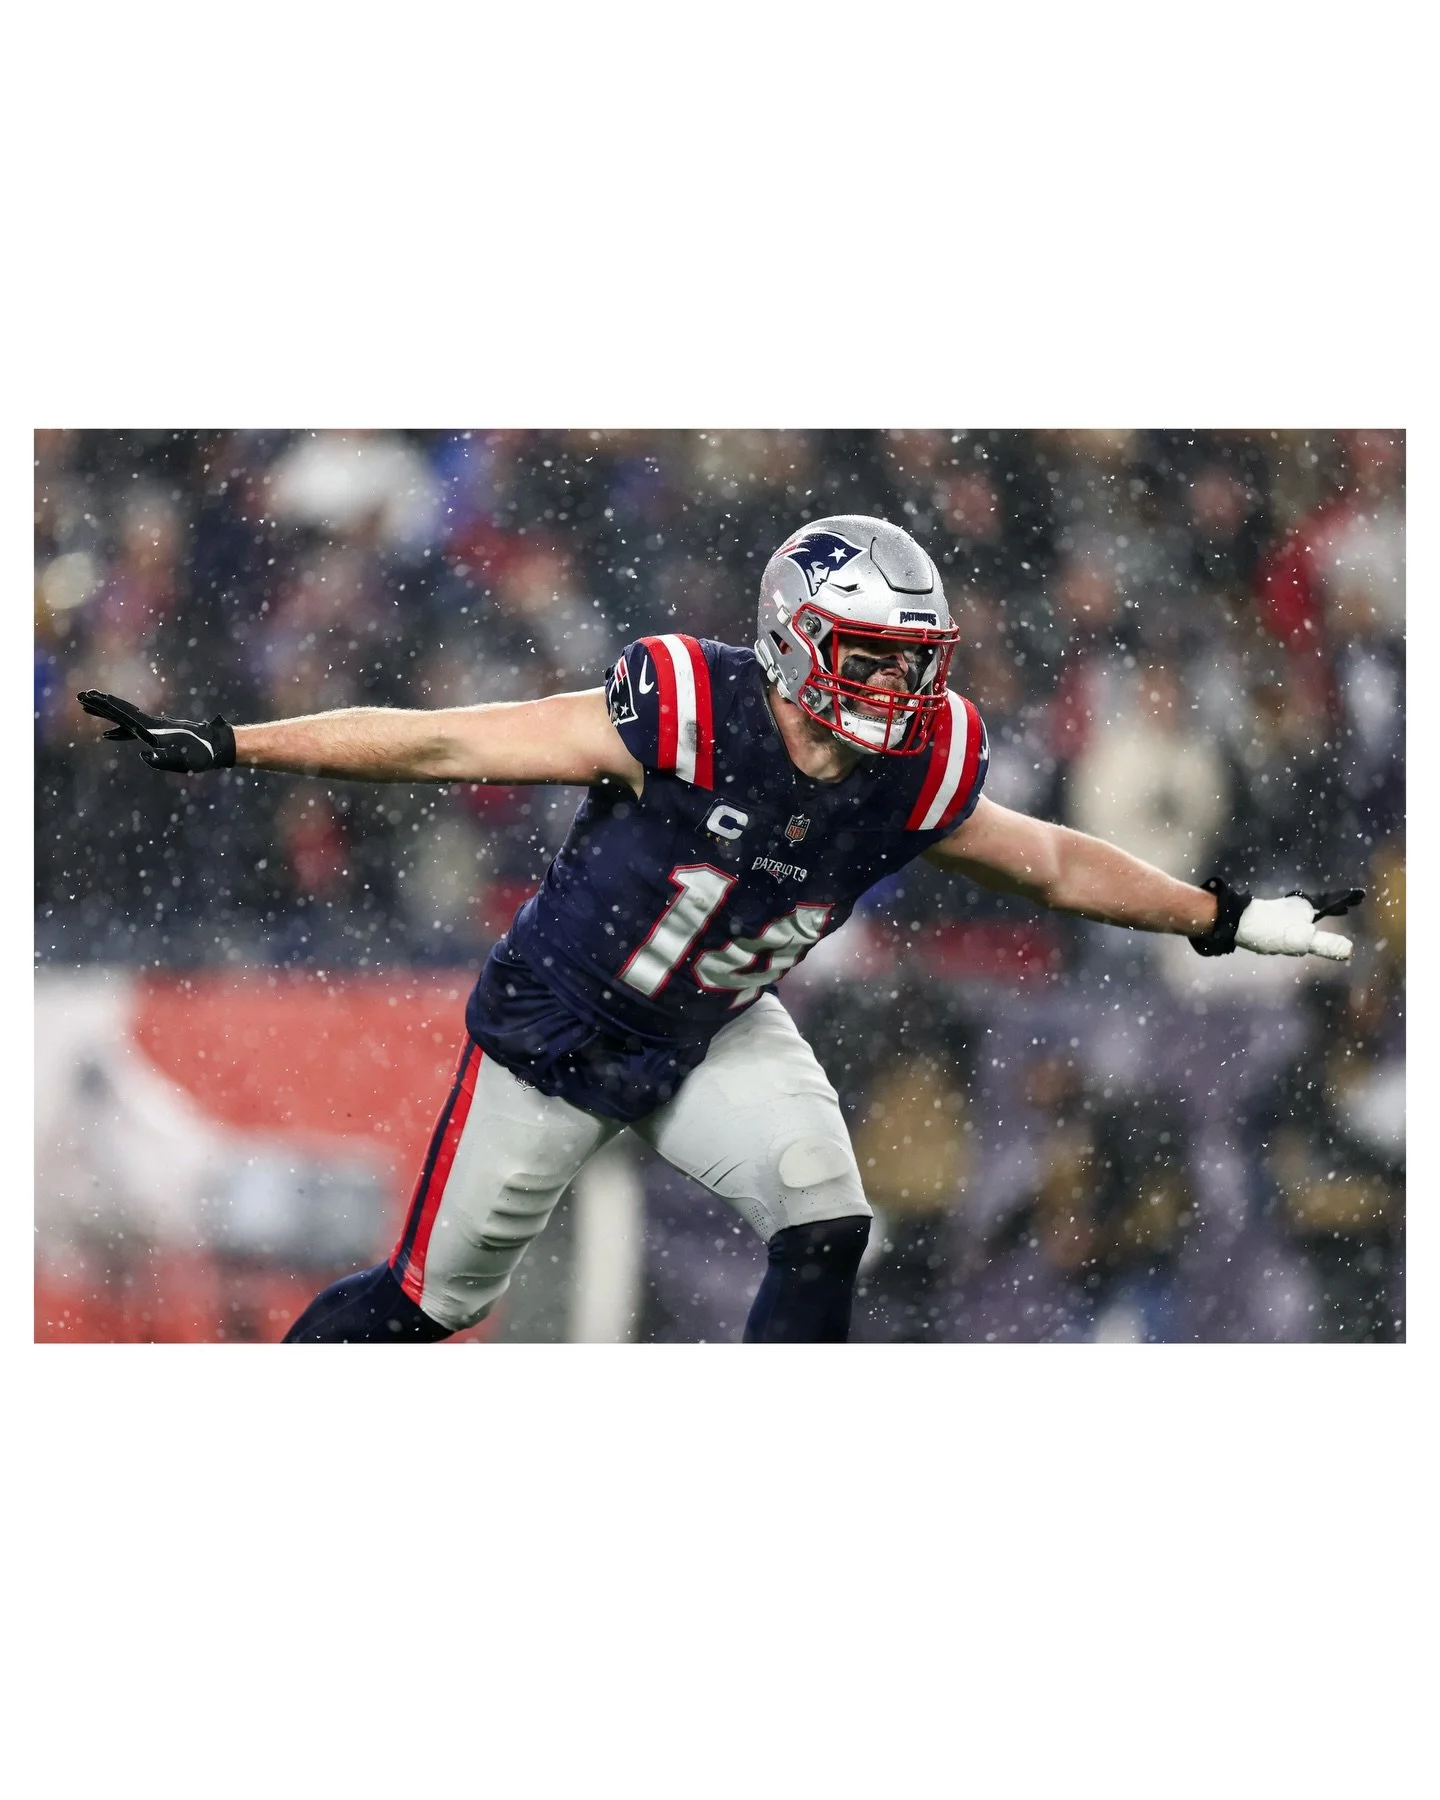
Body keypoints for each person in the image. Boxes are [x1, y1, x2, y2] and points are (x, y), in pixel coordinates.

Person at [77, 515, 1364, 1344]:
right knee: (430, 1304)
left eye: (916, 662)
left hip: (716, 1030)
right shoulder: (686, 705)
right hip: (556, 1034)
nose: (900, 689)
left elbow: (1046, 862)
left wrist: (1222, 914)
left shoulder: (917, 763)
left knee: (826, 1223)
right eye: (869, 656)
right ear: (793, 641)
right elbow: (442, 739)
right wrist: (241, 744)